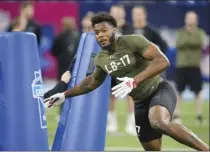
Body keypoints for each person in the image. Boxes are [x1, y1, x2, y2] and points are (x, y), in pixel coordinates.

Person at [44, 13, 209, 151]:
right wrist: (65, 95)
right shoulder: (101, 59)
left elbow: (163, 61)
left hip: (158, 89)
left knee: (159, 122)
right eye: (96, 32)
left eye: (104, 30)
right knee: (152, 149)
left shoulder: (133, 41)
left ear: (114, 29)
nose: (100, 35)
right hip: (139, 103)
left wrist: (134, 80)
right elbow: (91, 82)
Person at [174, 11, 207, 125]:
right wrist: (190, 42)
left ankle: (199, 115)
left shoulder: (199, 32)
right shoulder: (180, 32)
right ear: (185, 20)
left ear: (196, 20)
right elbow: (179, 43)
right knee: (179, 91)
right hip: (182, 65)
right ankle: (177, 114)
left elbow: (200, 43)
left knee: (198, 91)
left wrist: (188, 42)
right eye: (189, 18)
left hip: (195, 66)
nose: (191, 20)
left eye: (193, 18)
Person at [108, 4, 135, 135]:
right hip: (111, 65)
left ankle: (131, 123)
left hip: (126, 66)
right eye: (114, 12)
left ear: (123, 14)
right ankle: (111, 122)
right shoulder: (107, 28)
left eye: (118, 13)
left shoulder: (129, 27)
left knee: (130, 94)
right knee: (111, 94)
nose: (116, 15)